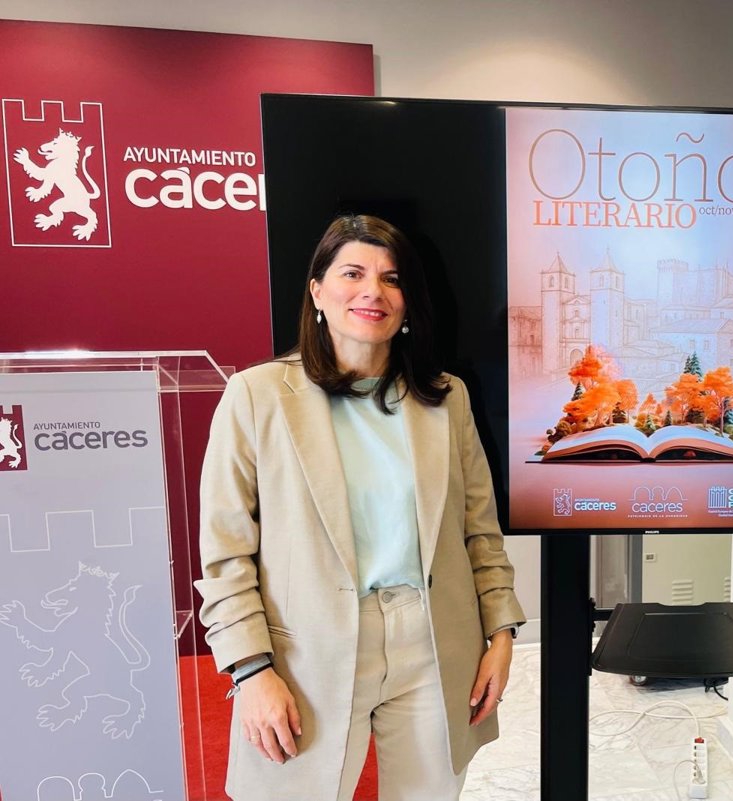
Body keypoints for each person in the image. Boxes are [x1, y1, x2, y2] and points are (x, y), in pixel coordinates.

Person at [196, 214, 525, 801]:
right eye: (353, 273)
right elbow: (225, 553)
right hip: (306, 650)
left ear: (407, 303)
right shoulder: (257, 396)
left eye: (391, 279)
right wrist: (250, 669)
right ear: (317, 291)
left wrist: (500, 632)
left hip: (434, 640)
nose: (373, 291)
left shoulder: (446, 398)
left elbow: (479, 529)